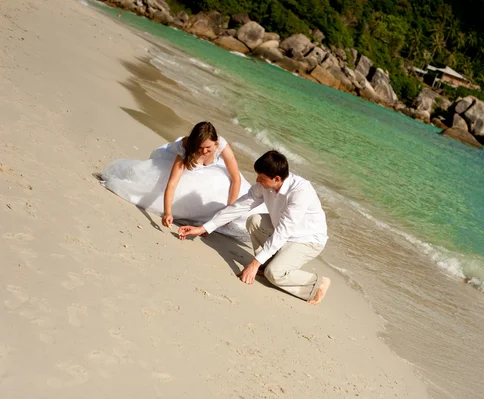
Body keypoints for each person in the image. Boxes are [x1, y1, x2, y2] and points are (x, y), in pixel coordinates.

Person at [178, 150, 331, 305]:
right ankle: (266, 263)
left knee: (274, 274)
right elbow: (239, 206)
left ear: (277, 178)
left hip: (307, 240)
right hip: (283, 232)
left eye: (262, 178)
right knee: (254, 220)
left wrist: (254, 264)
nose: (257, 180)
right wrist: (204, 228)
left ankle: (316, 285)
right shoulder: (263, 185)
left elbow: (283, 232)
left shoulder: (300, 191)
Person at [102, 121, 261, 238]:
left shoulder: (221, 145)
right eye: (201, 148)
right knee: (149, 182)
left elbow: (235, 179)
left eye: (209, 148)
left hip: (208, 168)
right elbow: (172, 184)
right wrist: (168, 212)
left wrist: (229, 211)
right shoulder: (185, 149)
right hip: (170, 159)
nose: (205, 151)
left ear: (216, 143)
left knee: (228, 188)